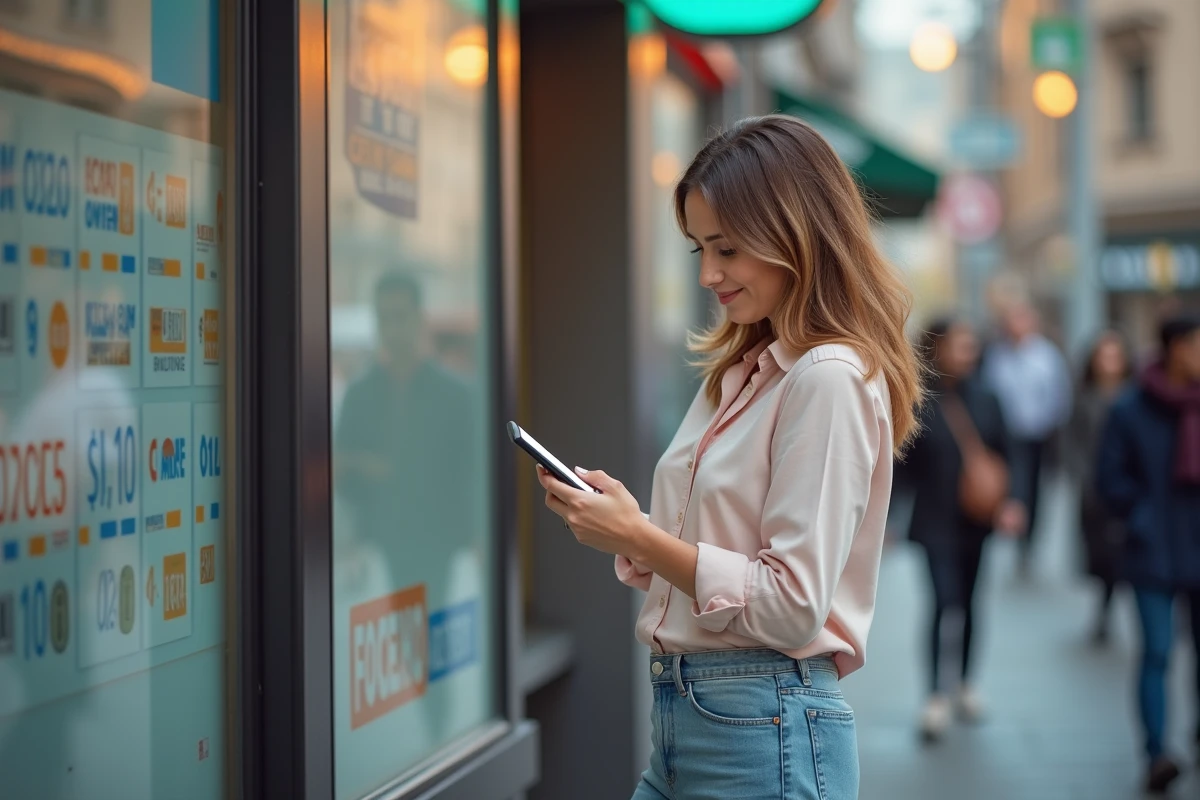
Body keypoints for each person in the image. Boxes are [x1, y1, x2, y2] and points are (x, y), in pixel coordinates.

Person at [534, 115, 923, 799]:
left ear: (797, 235)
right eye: (699, 249)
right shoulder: (747, 371)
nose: (708, 273)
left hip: (761, 724)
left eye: (729, 248)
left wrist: (638, 537)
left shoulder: (827, 378)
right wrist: (629, 529)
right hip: (695, 719)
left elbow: (791, 605)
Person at [897, 319, 1025, 742]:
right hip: (934, 521)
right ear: (937, 349)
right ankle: (935, 693)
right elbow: (900, 465)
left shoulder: (988, 398)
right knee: (942, 602)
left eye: (971, 346)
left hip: (976, 521)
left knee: (970, 602)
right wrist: (887, 519)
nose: (967, 354)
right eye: (959, 346)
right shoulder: (919, 400)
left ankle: (966, 683)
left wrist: (1013, 501)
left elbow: (1011, 453)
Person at [1097, 313, 1200, 795]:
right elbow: (1109, 479)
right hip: (1152, 549)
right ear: (1176, 348)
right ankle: (1157, 753)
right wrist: (1140, 516)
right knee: (1157, 651)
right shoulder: (1130, 407)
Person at [982, 301, 1071, 577]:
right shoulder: (997, 356)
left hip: (1038, 435)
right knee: (1010, 485)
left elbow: (1059, 396)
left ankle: (1028, 542)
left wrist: (1050, 425)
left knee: (1035, 489)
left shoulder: (1047, 356)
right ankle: (1011, 531)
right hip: (1005, 436)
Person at [1067, 331, 1133, 645]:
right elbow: (1072, 443)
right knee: (1100, 554)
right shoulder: (1085, 397)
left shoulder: (1134, 397)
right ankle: (1104, 608)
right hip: (1094, 492)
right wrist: (1085, 479)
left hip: (1127, 490)